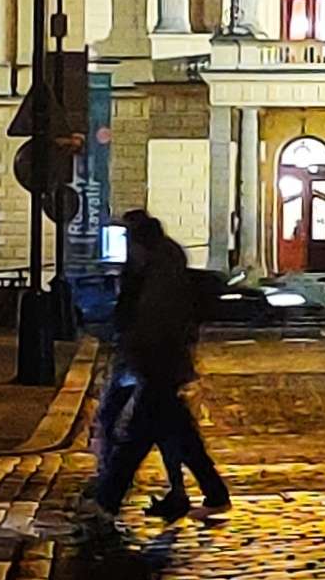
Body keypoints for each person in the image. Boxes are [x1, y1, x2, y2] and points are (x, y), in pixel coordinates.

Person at [83, 212, 230, 526]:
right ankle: (213, 494)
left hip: (158, 360)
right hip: (162, 361)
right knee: (178, 434)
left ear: (140, 241)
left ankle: (107, 500)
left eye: (130, 240)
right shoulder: (160, 263)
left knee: (138, 436)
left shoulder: (158, 269)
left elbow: (153, 318)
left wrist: (136, 349)